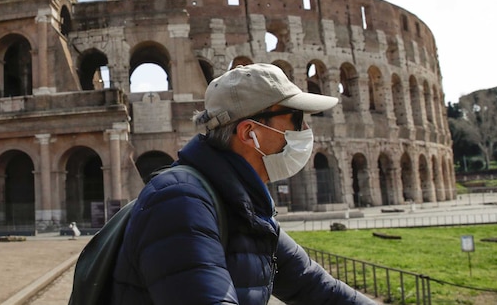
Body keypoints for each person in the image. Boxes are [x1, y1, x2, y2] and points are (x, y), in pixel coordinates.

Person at [111, 63, 374, 304]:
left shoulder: (242, 203)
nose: (305, 128)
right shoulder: (181, 203)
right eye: (295, 118)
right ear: (250, 133)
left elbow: (314, 285)